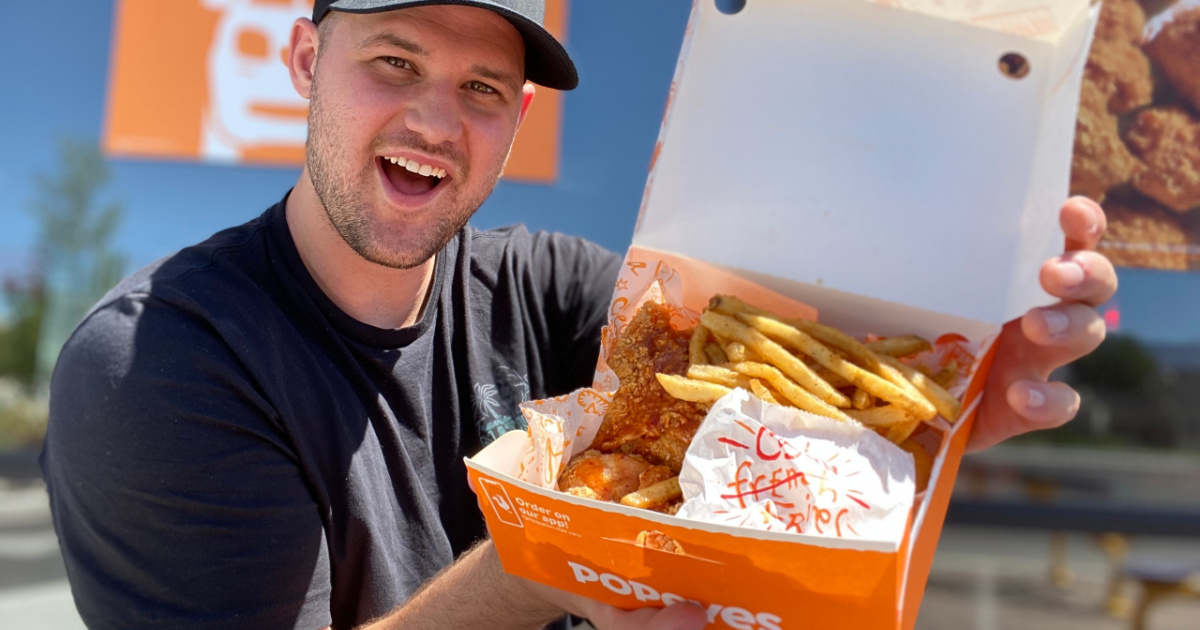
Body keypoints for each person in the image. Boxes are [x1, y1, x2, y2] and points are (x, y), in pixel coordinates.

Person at [40, 1, 1118, 629]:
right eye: (395, 62)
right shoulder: (156, 366)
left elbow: (764, 361)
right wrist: (556, 551)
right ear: (308, 63)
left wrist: (942, 382)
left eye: (484, 90)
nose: (435, 120)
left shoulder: (547, 287)